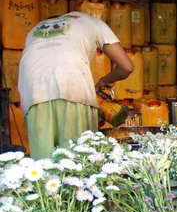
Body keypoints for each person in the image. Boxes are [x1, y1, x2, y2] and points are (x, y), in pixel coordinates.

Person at [18, 11, 133, 159]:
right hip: (71, 82)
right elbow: (126, 67)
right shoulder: (93, 22)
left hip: (32, 90)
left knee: (43, 162)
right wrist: (105, 81)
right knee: (78, 157)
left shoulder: (36, 29)